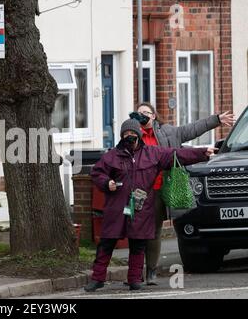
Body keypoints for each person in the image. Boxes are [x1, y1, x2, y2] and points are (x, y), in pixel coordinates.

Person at [84, 119, 216, 292]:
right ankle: (97, 278)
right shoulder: (112, 156)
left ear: (139, 135)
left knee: (138, 244)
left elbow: (176, 154)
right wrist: (106, 182)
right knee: (107, 243)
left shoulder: (153, 153)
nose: (129, 137)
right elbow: (97, 172)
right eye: (125, 134)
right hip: (116, 207)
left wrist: (202, 153)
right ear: (122, 136)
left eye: (132, 134)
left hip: (141, 207)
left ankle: (134, 279)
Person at [133, 102, 236, 285]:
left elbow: (192, 130)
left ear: (154, 116)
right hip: (138, 190)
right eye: (139, 113)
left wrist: (216, 120)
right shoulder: (132, 133)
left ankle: (151, 272)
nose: (143, 115)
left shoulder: (168, 132)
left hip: (158, 189)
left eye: (146, 112)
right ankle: (135, 274)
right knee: (138, 231)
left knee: (154, 231)